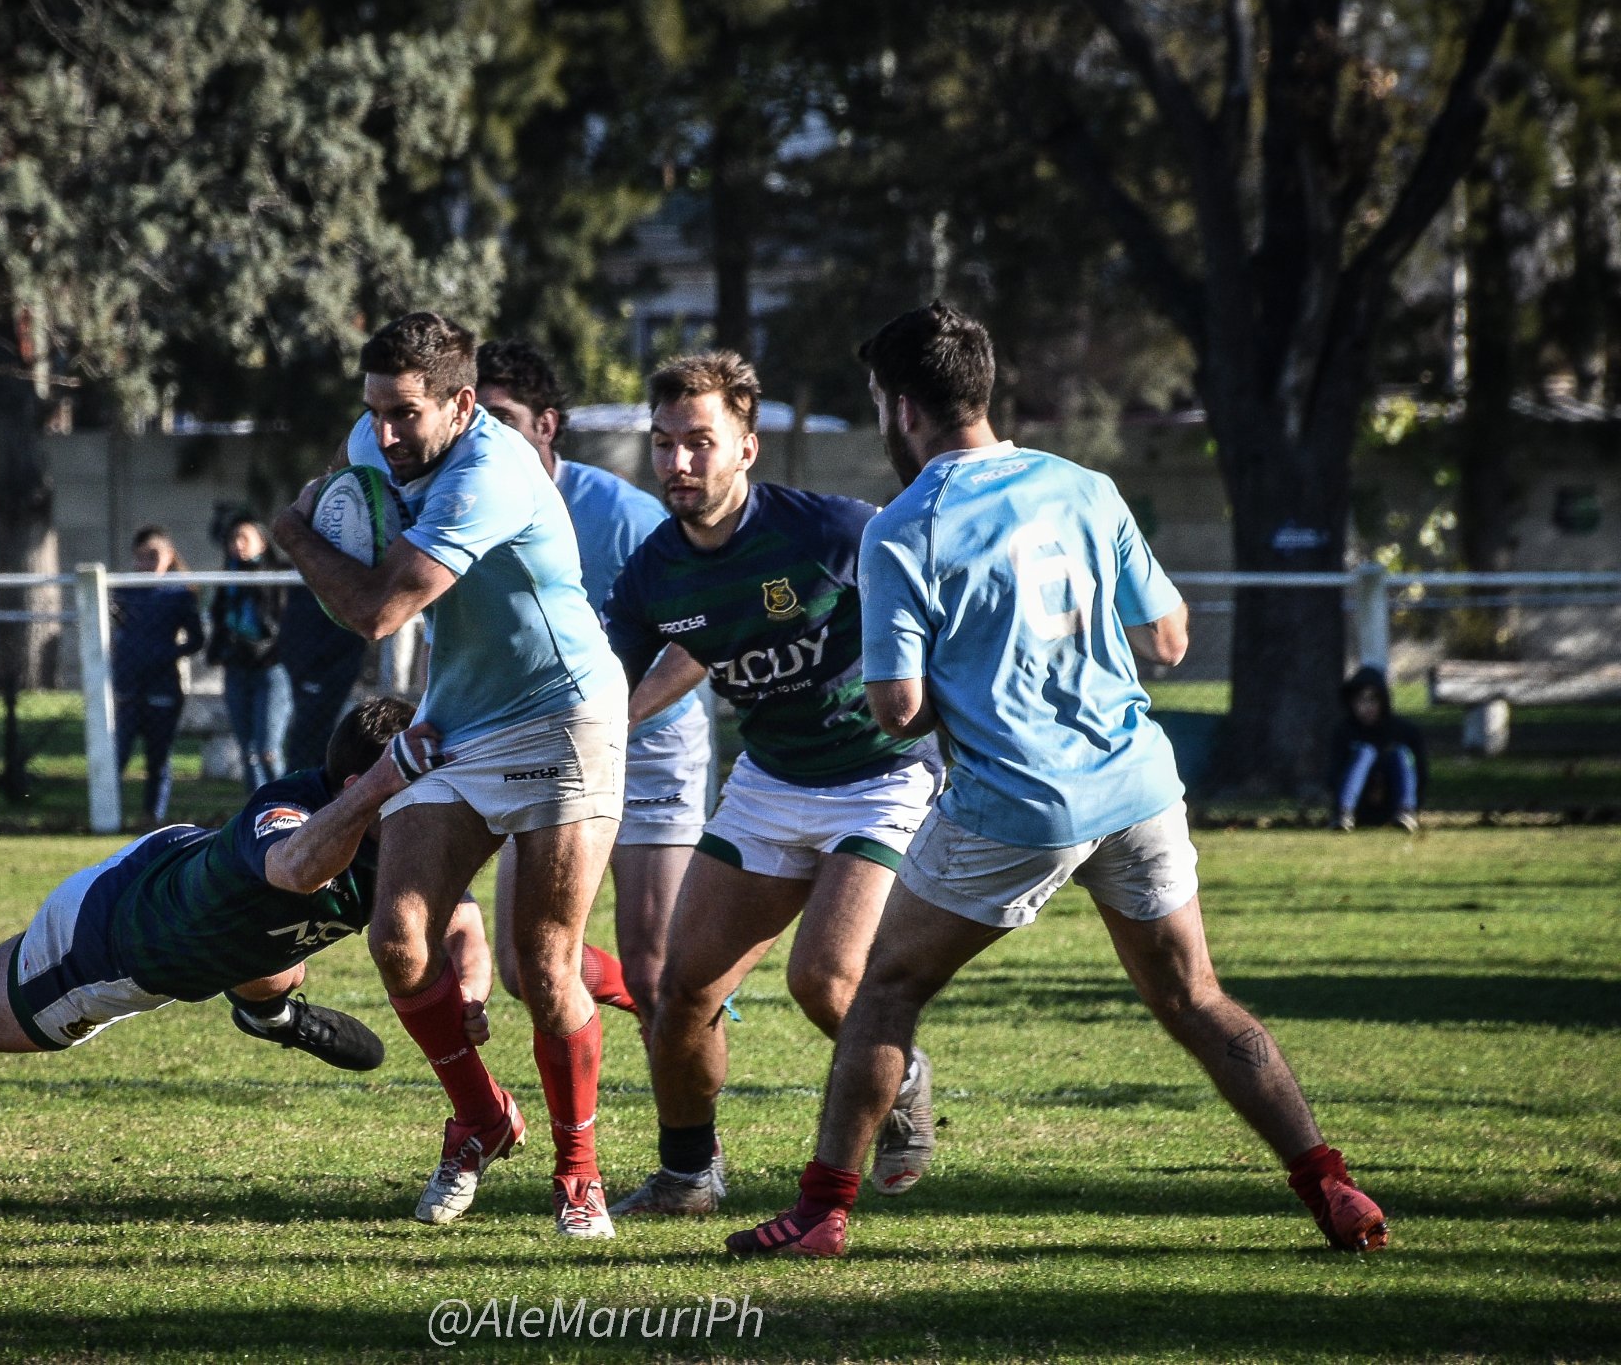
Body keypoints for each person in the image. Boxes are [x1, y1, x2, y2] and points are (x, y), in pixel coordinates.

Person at [727, 301, 1386, 1258]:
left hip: (1015, 805)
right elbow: (1166, 636)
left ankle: (822, 1212)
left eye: (878, 401)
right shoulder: (1085, 487)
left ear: (903, 407)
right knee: (1195, 997)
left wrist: (983, 679)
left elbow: (899, 710)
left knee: (881, 994)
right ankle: (1331, 1186)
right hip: (1135, 789)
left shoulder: (906, 526)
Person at [270, 312, 627, 1239]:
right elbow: (353, 500)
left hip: (563, 713)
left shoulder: (490, 471)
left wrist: (293, 535)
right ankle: (479, 1118)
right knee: (398, 939)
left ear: (463, 406)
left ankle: (577, 1173)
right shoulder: (377, 439)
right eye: (373, 412)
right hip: (460, 715)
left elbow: (380, 612)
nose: (383, 437)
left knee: (543, 971)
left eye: (405, 416)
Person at [0, 699, 486, 1132]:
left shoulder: (409, 825)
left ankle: (268, 1015)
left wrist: (474, 995)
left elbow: (460, 921)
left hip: (208, 910)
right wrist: (383, 786)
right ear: (364, 782)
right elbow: (294, 868)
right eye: (407, 783)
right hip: (113, 937)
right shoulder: (292, 811)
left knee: (274, 947)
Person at [599, 351, 941, 1218]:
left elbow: (935, 611)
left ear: (747, 448)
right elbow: (613, 682)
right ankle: (689, 1177)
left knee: (823, 982)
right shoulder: (652, 574)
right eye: (665, 443)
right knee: (680, 993)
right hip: (770, 782)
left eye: (701, 442)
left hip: (880, 778)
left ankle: (904, 1078)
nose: (679, 463)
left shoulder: (833, 531)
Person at [474, 339, 713, 1028]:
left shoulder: (625, 517)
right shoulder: (463, 510)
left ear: (546, 425)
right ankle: (660, 999)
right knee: (525, 966)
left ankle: (693, 1122)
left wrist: (614, 717)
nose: (488, 438)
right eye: (477, 422)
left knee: (656, 962)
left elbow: (698, 639)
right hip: (543, 748)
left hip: (651, 741)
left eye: (505, 418)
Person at [113, 525, 206, 824]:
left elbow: (196, 639)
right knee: (118, 754)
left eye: (154, 555)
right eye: (140, 556)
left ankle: (152, 817)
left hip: (163, 686)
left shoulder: (179, 594)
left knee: (158, 757)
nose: (146, 562)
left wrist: (164, 654)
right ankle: (109, 814)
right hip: (128, 684)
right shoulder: (123, 590)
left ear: (169, 556)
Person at [208, 513, 292, 791]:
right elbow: (220, 621)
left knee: (268, 748)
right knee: (249, 751)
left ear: (262, 543)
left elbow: (280, 623)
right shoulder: (227, 579)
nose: (238, 544)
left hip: (271, 668)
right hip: (236, 667)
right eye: (233, 538)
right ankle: (259, 810)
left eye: (245, 538)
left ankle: (285, 802)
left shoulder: (278, 576)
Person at [275, 574, 371, 775]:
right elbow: (290, 631)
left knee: (313, 734)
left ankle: (309, 785)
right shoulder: (301, 589)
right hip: (303, 670)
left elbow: (347, 639)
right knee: (307, 735)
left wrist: (315, 667)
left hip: (328, 671)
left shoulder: (343, 591)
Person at [1329, 666, 1426, 832]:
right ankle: (1344, 813)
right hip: (1359, 805)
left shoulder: (1403, 732)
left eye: (1372, 700)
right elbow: (1333, 774)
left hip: (1390, 802)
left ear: (1383, 701)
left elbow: (1421, 772)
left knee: (1400, 753)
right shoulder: (1344, 732)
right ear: (1351, 703)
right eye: (1360, 701)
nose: (1366, 707)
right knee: (1365, 752)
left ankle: (1406, 811)